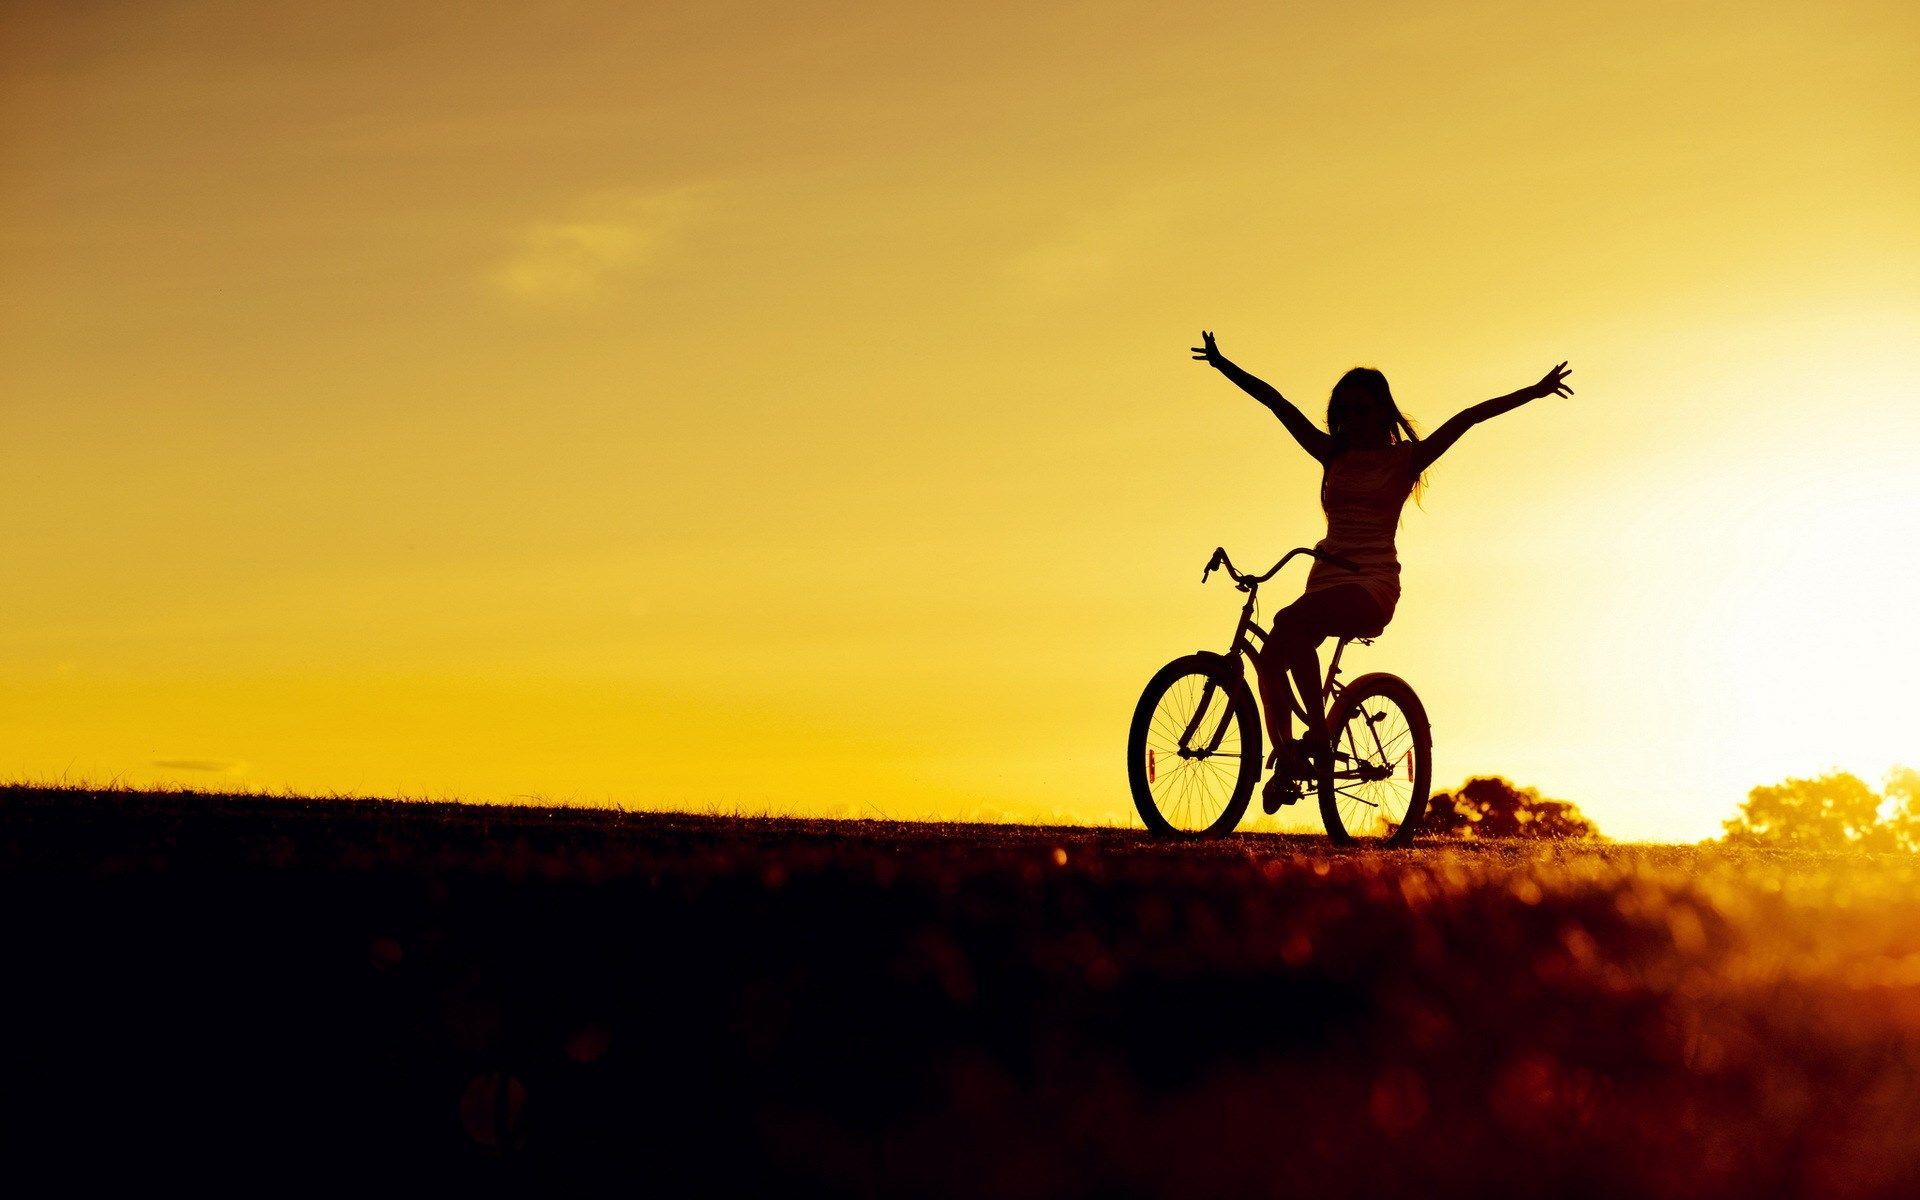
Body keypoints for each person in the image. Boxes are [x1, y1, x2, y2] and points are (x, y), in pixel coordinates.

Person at [1189, 330, 1574, 812]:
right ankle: (1297, 748)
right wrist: (1224, 365)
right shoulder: (1333, 455)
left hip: (1370, 584)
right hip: (1326, 578)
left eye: (1361, 410)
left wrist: (1534, 391)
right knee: (1276, 652)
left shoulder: (1404, 460)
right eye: (1343, 411)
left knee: (1288, 626)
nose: (1350, 420)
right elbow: (1276, 402)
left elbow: (1469, 418)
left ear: (1382, 413)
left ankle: (1302, 750)